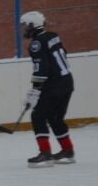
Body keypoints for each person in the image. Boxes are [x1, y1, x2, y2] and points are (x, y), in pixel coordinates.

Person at [20, 11, 76, 167]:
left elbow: (41, 69)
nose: (24, 29)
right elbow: (63, 54)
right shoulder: (53, 36)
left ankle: (45, 154)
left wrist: (34, 92)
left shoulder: (36, 44)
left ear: (33, 25)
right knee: (55, 118)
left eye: (25, 26)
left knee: (38, 116)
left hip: (53, 85)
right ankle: (67, 151)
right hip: (67, 82)